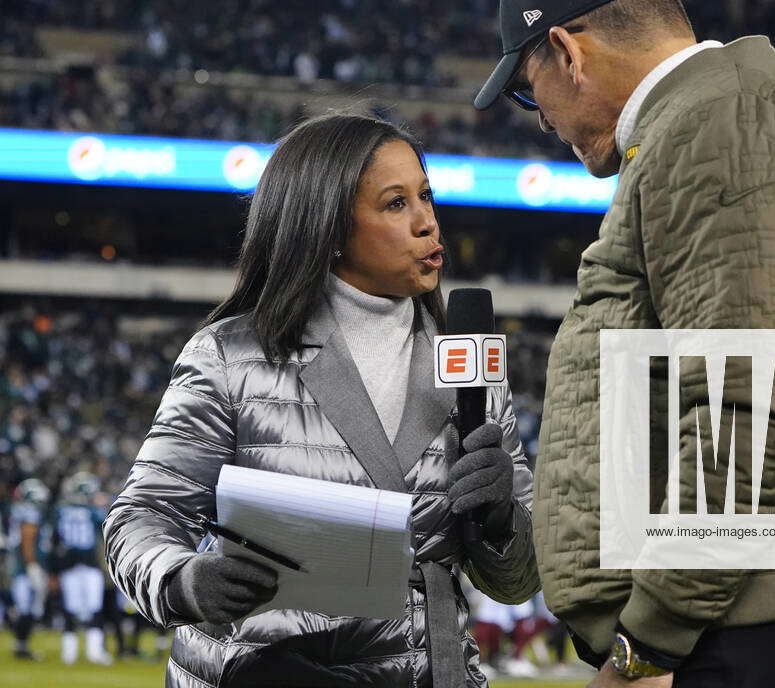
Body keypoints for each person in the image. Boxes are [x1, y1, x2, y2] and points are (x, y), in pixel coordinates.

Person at [474, 0, 775, 687]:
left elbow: (760, 401)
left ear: (566, 52)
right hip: (741, 626)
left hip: (743, 633)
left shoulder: (722, 126)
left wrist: (650, 645)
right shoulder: (705, 128)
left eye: (528, 94)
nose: (541, 122)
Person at [104, 113, 540, 688]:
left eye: (426, 197)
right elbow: (141, 518)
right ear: (328, 227)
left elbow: (517, 583)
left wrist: (502, 520)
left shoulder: (469, 367)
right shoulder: (230, 355)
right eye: (395, 204)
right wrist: (183, 579)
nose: (428, 222)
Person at [52, 471, 112, 665]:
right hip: (88, 563)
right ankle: (93, 651)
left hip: (69, 564)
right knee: (94, 608)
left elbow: (54, 540)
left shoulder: (60, 510)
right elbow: (105, 529)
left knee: (70, 608)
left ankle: (69, 652)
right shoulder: (92, 511)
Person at [6, 478, 52, 661]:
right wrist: (32, 564)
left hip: (18, 566)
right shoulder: (29, 512)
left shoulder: (17, 510)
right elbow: (27, 537)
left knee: (27, 608)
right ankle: (21, 647)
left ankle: (21, 646)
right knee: (28, 608)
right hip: (25, 567)